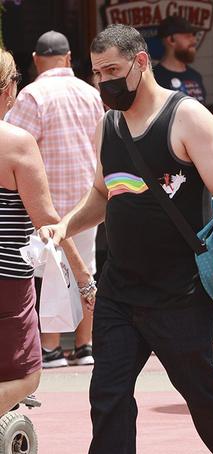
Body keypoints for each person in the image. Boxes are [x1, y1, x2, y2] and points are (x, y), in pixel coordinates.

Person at [38, 25, 213, 454]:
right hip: (121, 289)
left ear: (142, 62)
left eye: (113, 72)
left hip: (180, 290)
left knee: (203, 396)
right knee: (109, 395)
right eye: (97, 73)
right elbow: (103, 193)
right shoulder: (108, 125)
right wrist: (64, 224)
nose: (105, 82)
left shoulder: (186, 118)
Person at [0, 47, 92, 454]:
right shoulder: (15, 143)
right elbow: (47, 219)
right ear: (9, 88)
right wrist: (84, 277)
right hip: (7, 279)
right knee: (26, 376)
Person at [6, 30, 105, 369]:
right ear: (69, 58)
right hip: (87, 200)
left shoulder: (31, 95)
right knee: (85, 269)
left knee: (48, 271)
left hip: (45, 199)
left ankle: (49, 347)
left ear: (35, 60)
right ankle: (85, 345)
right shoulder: (91, 93)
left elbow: (13, 145)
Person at [153, 15, 206, 104]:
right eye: (188, 36)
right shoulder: (153, 79)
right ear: (171, 40)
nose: (194, 41)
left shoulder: (196, 76)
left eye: (193, 35)